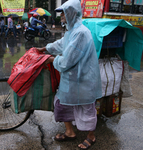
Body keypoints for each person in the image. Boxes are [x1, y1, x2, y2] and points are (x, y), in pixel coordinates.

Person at [36, 0, 102, 149]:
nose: (61, 16)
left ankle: (91, 136)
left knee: (86, 108)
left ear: (72, 13)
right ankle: (70, 132)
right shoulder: (72, 31)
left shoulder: (81, 33)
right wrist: (45, 49)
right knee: (62, 103)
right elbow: (61, 44)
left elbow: (66, 61)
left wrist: (51, 59)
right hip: (71, 78)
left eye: (64, 13)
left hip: (83, 78)